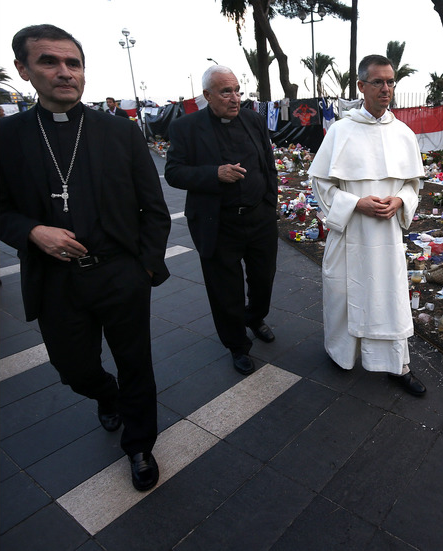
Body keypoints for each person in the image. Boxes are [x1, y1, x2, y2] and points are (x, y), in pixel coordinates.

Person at [0, 24, 171, 491]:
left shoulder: (120, 132)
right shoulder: (8, 136)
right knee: (72, 368)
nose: (64, 72)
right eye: (48, 62)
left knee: (136, 363)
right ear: (23, 69)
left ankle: (139, 445)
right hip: (55, 281)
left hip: (120, 275)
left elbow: (154, 209)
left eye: (73, 63)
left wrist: (146, 268)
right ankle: (103, 392)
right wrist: (32, 231)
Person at [307, 54, 427, 397]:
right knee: (344, 295)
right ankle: (341, 354)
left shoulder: (403, 133)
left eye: (391, 81)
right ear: (361, 86)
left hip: (386, 239)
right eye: (378, 82)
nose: (386, 88)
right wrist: (355, 203)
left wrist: (401, 200)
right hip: (350, 233)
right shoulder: (341, 131)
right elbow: (321, 185)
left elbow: (412, 185)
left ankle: (397, 365)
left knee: (389, 298)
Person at [164, 65, 279, 376]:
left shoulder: (253, 119)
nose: (235, 97)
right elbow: (173, 173)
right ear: (207, 96)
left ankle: (254, 317)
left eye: (237, 90)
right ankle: (237, 345)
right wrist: (214, 174)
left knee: (263, 279)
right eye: (226, 91)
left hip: (259, 218)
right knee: (224, 290)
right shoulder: (186, 128)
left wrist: (271, 202)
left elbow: (268, 163)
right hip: (218, 223)